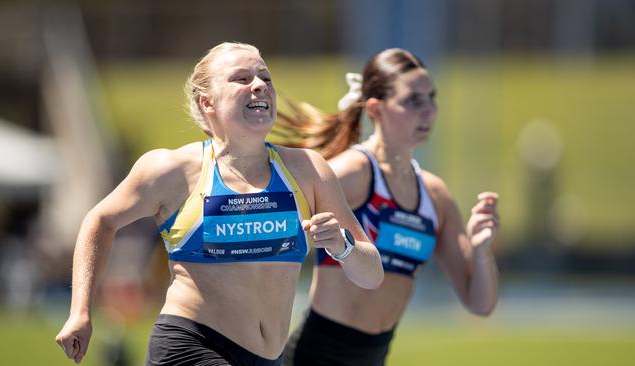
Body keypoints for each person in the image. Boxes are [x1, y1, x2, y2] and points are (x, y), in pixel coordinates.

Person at [54, 42, 384, 366]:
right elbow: (100, 221)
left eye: (265, 78)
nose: (259, 86)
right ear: (207, 103)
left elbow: (371, 274)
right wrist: (80, 311)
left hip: (269, 357)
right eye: (241, 79)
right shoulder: (172, 171)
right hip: (191, 345)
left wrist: (342, 246)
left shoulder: (307, 169)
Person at [277, 48, 500, 366]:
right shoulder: (353, 173)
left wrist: (481, 251)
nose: (428, 111)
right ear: (375, 109)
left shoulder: (435, 195)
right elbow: (276, 224)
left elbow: (480, 303)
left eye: (431, 98)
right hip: (316, 355)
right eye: (412, 100)